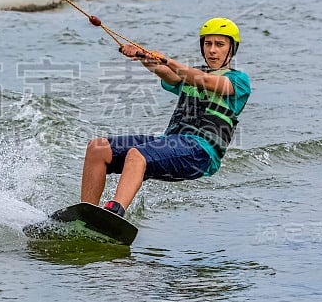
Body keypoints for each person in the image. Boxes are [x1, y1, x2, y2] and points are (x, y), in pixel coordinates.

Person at [80, 17, 251, 217]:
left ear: (232, 48)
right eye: (208, 43)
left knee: (137, 154)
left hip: (201, 152)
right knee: (97, 148)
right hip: (172, 143)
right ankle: (85, 213)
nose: (212, 50)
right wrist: (144, 57)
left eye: (220, 44)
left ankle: (114, 213)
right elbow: (166, 73)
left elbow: (203, 80)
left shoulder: (239, 81)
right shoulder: (188, 75)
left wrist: (167, 60)